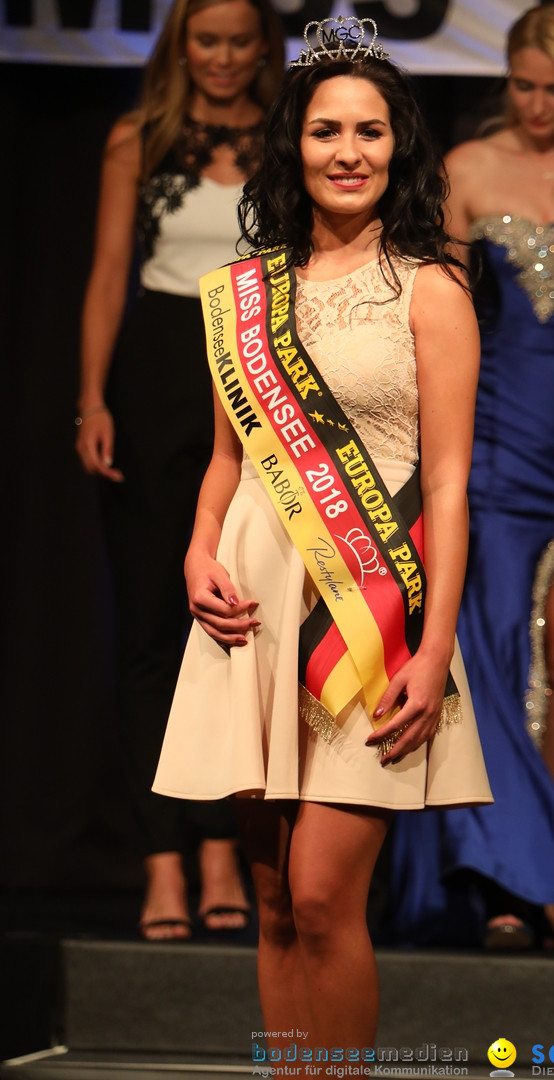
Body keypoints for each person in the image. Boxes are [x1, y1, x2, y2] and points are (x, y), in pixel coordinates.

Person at [153, 16, 491, 1057]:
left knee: (323, 893)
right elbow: (224, 462)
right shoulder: (247, 295)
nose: (349, 152)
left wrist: (434, 652)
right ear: (293, 147)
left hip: (372, 619)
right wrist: (196, 552)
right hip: (251, 604)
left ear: (401, 148)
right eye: (326, 132)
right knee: (272, 898)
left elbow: (446, 481)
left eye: (372, 133)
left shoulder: (432, 289)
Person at [389, 3, 554, 950]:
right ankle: (506, 879)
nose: (539, 105)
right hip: (493, 431)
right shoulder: (466, 170)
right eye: (524, 85)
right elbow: (443, 311)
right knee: (492, 656)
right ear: (505, 79)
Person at [75, 0, 285, 940]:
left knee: (243, 623)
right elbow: (110, 270)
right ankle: (165, 860)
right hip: (158, 374)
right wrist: (93, 399)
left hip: (258, 375)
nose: (226, 58)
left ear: (264, 45)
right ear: (179, 44)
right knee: (155, 630)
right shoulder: (139, 135)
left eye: (242, 41)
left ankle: (223, 850)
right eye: (208, 40)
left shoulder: (291, 132)